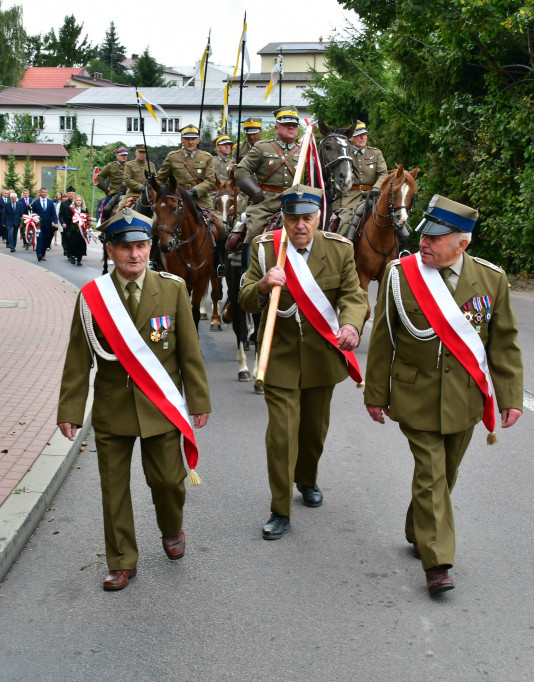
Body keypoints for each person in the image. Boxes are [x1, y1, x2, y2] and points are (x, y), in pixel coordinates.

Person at [363, 195, 524, 596]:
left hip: (465, 398)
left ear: (462, 244)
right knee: (432, 473)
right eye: (424, 235)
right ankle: (438, 563)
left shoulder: (490, 279)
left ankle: (417, 528)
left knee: (444, 474)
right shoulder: (401, 275)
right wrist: (375, 393)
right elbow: (383, 339)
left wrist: (510, 397)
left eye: (436, 238)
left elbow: (503, 344)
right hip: (415, 395)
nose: (425, 243)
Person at [57, 208, 211, 591]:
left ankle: (171, 527)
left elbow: (189, 352)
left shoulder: (173, 288)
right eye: (126, 247)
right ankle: (122, 560)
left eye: (141, 246)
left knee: (169, 483)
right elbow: (78, 359)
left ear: (150, 247)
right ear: (110, 250)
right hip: (113, 407)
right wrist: (70, 410)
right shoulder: (93, 298)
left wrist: (198, 400)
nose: (135, 255)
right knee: (114, 489)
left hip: (160, 407)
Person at [238, 185, 367, 540]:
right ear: (284, 218)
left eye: (307, 219)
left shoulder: (339, 249)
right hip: (278, 356)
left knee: (313, 433)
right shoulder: (265, 249)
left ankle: (306, 478)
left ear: (318, 218)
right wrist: (263, 285)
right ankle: (280, 508)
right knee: (281, 436)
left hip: (321, 358)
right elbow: (245, 298)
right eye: (293, 219)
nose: (299, 226)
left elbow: (353, 295)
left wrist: (352, 324)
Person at [235, 108, 305, 256]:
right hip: (265, 204)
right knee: (253, 232)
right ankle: (247, 275)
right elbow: (241, 170)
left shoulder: (305, 151)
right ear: (276, 127)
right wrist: (255, 192)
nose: (291, 127)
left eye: (294, 124)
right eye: (286, 124)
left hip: (296, 202)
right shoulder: (263, 147)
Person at [332, 120, 390, 240]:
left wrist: (376, 188)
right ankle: (342, 251)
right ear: (351, 138)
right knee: (343, 224)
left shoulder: (375, 153)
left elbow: (383, 174)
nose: (363, 137)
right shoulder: (345, 154)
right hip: (351, 197)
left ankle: (402, 250)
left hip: (374, 195)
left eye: (364, 134)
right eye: (358, 135)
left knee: (396, 222)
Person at [156, 125, 216, 205]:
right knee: (158, 216)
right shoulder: (172, 157)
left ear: (198, 140)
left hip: (200, 199)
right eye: (187, 139)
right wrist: (162, 193)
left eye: (193, 139)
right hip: (176, 199)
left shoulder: (206, 157)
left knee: (216, 217)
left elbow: (210, 181)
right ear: (182, 140)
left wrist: (194, 191)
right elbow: (159, 179)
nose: (190, 142)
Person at [97, 147, 129, 214]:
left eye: (125, 155)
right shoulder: (110, 166)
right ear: (117, 156)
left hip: (128, 192)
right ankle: (103, 222)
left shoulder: (130, 165)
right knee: (105, 209)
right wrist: (106, 190)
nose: (124, 157)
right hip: (114, 192)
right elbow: (100, 177)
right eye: (122, 155)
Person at [32, 187, 58, 262]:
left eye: (46, 192)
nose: (44, 194)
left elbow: (53, 213)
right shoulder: (36, 202)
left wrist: (55, 222)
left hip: (48, 224)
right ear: (40, 193)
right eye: (43, 192)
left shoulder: (50, 202)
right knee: (39, 239)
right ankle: (39, 254)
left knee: (45, 240)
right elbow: (33, 212)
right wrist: (34, 220)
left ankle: (43, 254)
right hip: (38, 224)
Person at [59, 186, 75, 258]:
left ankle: (74, 253)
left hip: (75, 224)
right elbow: (60, 215)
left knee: (74, 239)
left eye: (72, 193)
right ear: (67, 194)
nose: (71, 194)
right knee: (66, 239)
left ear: (74, 194)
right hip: (66, 224)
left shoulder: (77, 202)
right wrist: (62, 223)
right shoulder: (63, 203)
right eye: (69, 193)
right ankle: (68, 253)